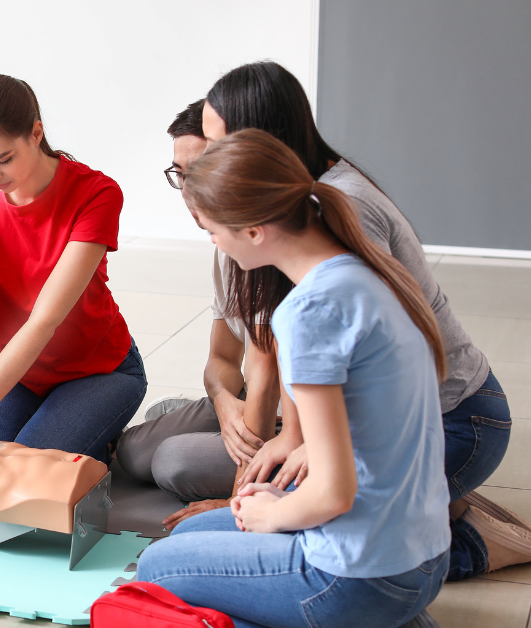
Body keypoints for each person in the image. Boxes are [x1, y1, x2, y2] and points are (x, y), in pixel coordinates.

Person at [131, 61, 531, 581]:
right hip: (369, 425)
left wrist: (272, 500)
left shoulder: (333, 235)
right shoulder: (300, 222)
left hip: (447, 422)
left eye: (216, 146)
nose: (206, 168)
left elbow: (329, 373)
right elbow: (268, 355)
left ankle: (478, 537)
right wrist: (287, 446)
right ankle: (441, 504)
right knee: (175, 468)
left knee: (211, 520)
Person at [138, 129, 449, 628]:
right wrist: (277, 503)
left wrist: (274, 516)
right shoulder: (364, 272)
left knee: (156, 568)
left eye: (213, 230)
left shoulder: (308, 313)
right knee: (186, 539)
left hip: (359, 577)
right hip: (424, 553)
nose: (214, 242)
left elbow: (333, 494)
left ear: (255, 231)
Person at [0, 74, 148, 472]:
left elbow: (45, 321)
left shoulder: (96, 194)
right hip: (19, 373)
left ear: (36, 133)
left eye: (3, 159)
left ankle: (104, 441)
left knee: (23, 471)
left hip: (99, 370)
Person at [117, 99, 285, 523]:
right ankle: (205, 423)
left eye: (201, 171)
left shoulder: (265, 244)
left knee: (172, 462)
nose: (190, 191)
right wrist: (226, 402)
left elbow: (265, 378)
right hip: (250, 400)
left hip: (291, 419)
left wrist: (238, 503)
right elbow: (223, 358)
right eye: (180, 174)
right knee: (132, 453)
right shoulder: (225, 245)